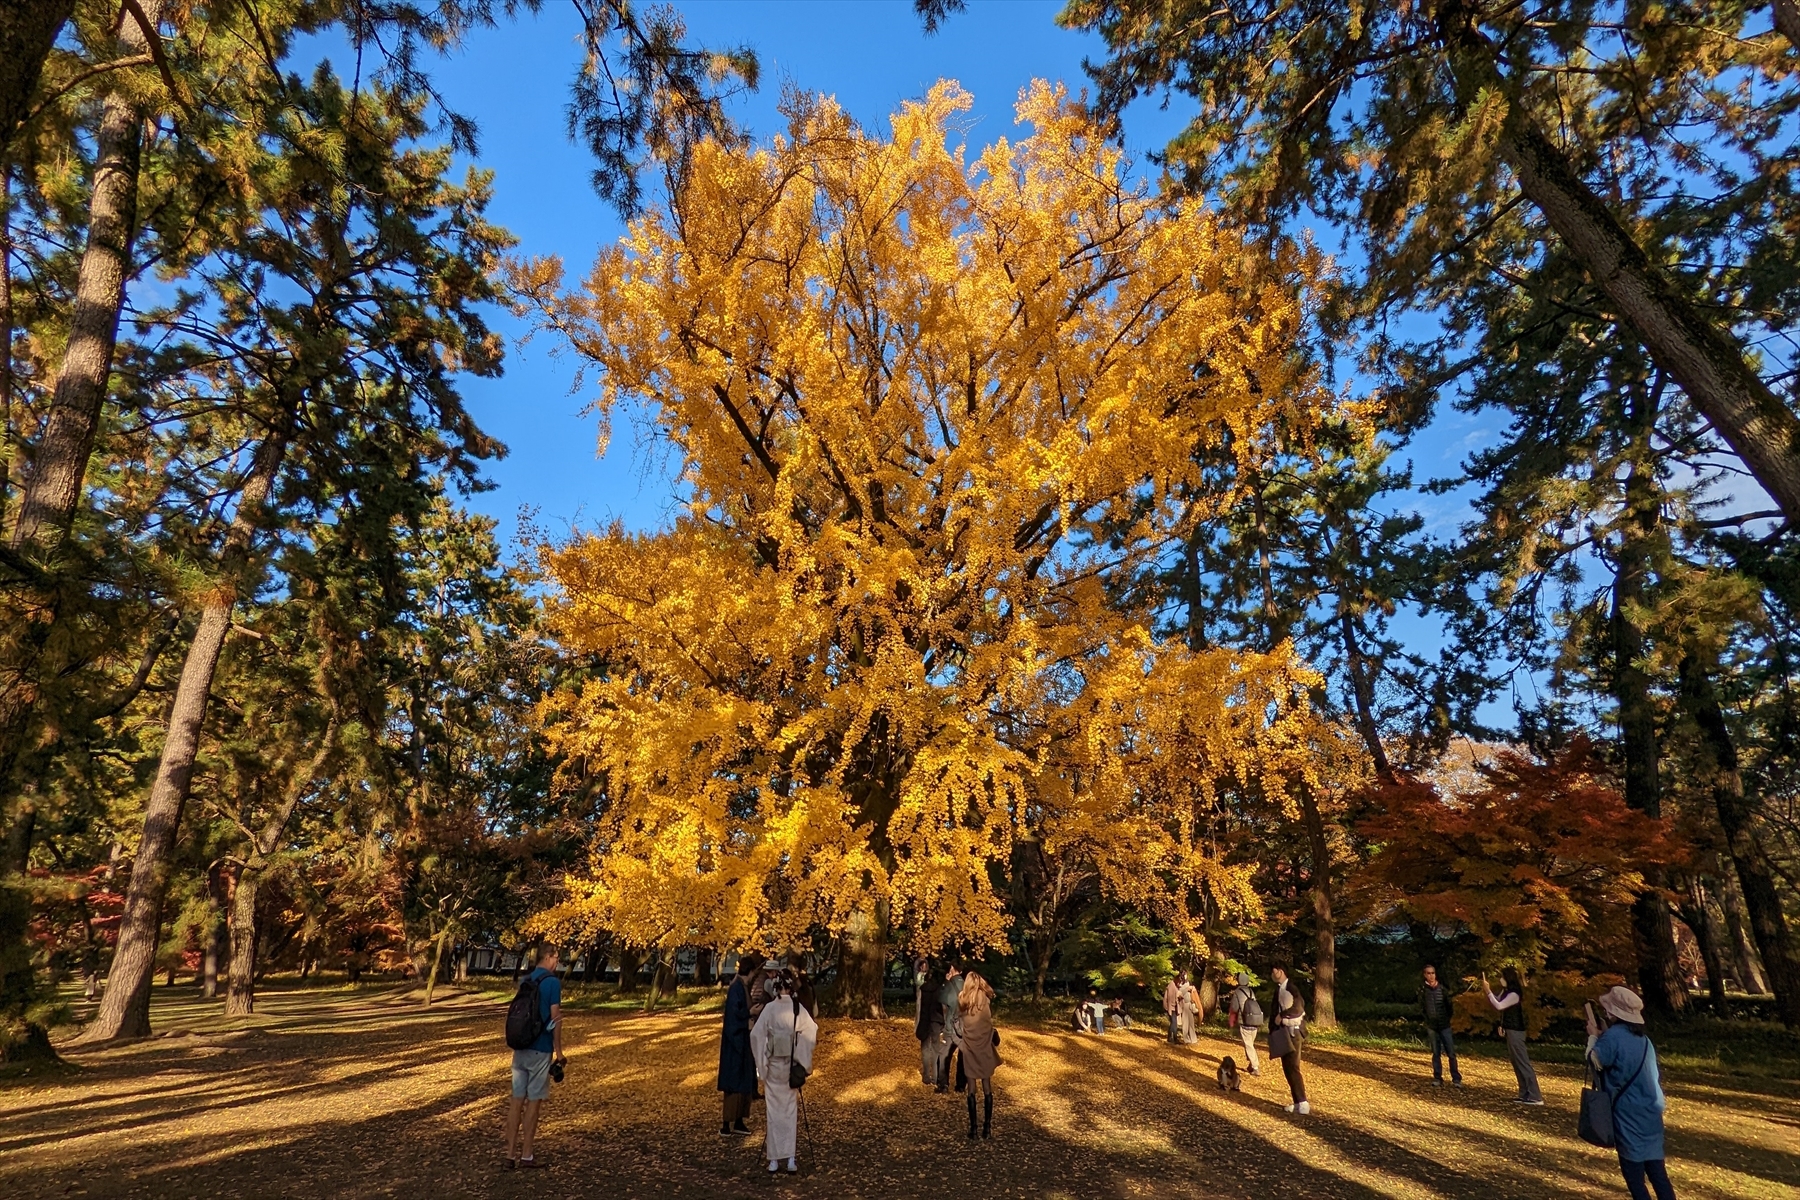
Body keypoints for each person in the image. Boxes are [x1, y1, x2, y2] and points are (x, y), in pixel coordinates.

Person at [1588, 985, 1676, 1200]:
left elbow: (1595, 1060)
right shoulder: (1644, 1040)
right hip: (1651, 1112)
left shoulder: (1613, 1037)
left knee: (1634, 1176)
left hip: (1627, 1113)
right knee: (1658, 1174)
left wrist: (1592, 1037)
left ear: (1612, 1012)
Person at [503, 945, 565, 1169]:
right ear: (547, 957)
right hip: (540, 1048)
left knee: (516, 1101)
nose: (557, 962)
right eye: (556, 957)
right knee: (534, 1102)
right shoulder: (552, 983)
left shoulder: (526, 981)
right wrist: (559, 1051)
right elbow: (555, 1017)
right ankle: (527, 1154)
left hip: (521, 1047)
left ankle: (509, 1155)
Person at [752, 971, 819, 1175]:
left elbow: (756, 1034)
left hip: (773, 1067)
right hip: (790, 1066)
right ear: (790, 988)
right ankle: (790, 1158)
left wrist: (762, 1062)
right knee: (790, 1112)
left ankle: (774, 1160)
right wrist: (800, 1056)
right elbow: (811, 1030)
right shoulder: (797, 1009)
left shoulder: (770, 1008)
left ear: (776, 987)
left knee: (773, 1113)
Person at [718, 953, 765, 1137]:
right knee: (734, 1085)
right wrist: (748, 1014)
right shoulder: (736, 989)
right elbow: (733, 1017)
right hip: (735, 1044)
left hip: (742, 1042)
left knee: (743, 1083)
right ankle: (727, 1124)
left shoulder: (741, 987)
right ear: (751, 971)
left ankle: (738, 1121)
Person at [1484, 965, 1543, 1104]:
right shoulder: (1507, 991)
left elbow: (1499, 1005)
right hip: (1510, 1029)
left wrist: (1488, 991)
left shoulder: (1514, 994)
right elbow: (1497, 1003)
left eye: (1502, 977)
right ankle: (1524, 1093)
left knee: (1523, 1062)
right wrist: (1502, 1024)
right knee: (1516, 1062)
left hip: (1516, 1031)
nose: (1500, 979)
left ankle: (1535, 1095)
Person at [956, 967, 1000, 1139]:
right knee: (987, 1085)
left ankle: (973, 1128)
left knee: (971, 1088)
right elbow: (988, 1022)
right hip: (984, 1046)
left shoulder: (962, 1000)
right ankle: (987, 1128)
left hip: (969, 1047)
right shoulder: (985, 999)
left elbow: (960, 1021)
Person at [1269, 966, 1308, 1114]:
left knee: (1293, 1066)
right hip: (1284, 1032)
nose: (1273, 974)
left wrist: (1281, 1016)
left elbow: (1298, 1009)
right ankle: (1297, 1101)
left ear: (1281, 971)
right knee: (1287, 1068)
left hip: (1294, 1032)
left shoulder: (1291, 988)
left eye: (1275, 971)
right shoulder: (1280, 989)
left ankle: (1303, 1102)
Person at [1420, 964, 1462, 1087]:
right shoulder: (1422, 990)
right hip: (1432, 1026)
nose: (1431, 975)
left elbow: (1449, 1007)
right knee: (1436, 1052)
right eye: (1428, 973)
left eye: (1432, 973)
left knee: (1451, 1053)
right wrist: (1427, 1020)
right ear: (1425, 975)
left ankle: (1456, 1078)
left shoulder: (1443, 989)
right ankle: (1438, 1077)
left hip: (1444, 1025)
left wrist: (1446, 1019)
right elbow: (1422, 1008)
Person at [916, 963, 949, 1087]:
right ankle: (935, 1076)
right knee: (935, 1048)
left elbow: (920, 1007)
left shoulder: (923, 989)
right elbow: (942, 1007)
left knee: (925, 1048)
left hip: (924, 1019)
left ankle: (926, 1075)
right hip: (935, 1021)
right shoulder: (939, 990)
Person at [1226, 971, 1262, 1075]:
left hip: (1245, 1021)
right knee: (1250, 1044)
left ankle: (1255, 1067)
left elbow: (1235, 1007)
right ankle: (1251, 1065)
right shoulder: (1251, 991)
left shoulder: (1238, 992)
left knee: (1248, 1045)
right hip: (1255, 1021)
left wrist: (1233, 1017)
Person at [939, 962, 966, 1093]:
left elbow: (943, 1003)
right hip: (965, 1027)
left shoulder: (949, 985)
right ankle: (961, 1085)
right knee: (963, 1056)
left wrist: (945, 982)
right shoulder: (968, 985)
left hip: (951, 1026)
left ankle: (943, 1084)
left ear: (952, 969)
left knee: (945, 1055)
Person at [1163, 971, 1186, 1044]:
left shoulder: (1176, 986)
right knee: (1174, 1023)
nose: (1180, 983)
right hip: (1171, 1007)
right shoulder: (1171, 986)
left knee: (1174, 1023)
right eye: (1179, 981)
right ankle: (1173, 1038)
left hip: (1174, 1007)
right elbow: (1169, 998)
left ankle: (1172, 1038)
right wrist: (1168, 1008)